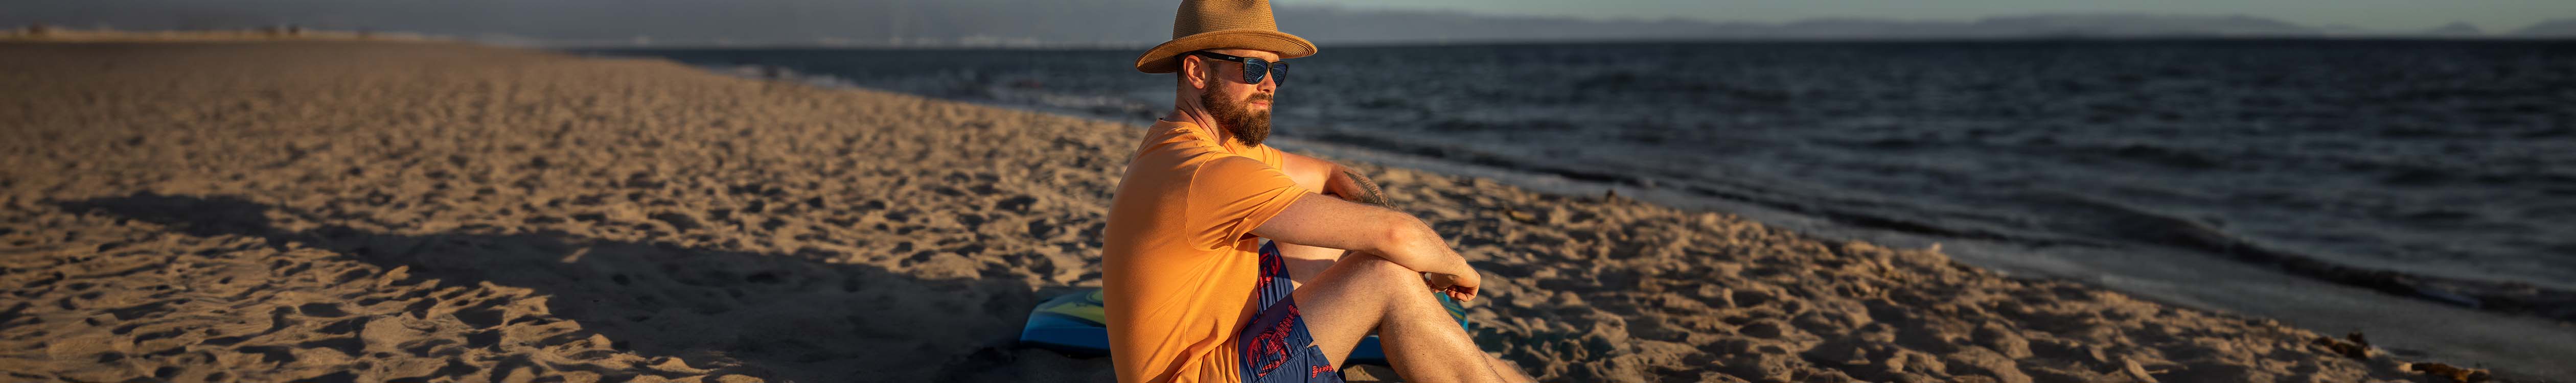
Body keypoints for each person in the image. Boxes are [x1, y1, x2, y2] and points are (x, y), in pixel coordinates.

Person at [1100, 1, 1537, 382]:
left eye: (1276, 70)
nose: (1269, 85)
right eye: (1253, 68)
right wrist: (1456, 268)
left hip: (1216, 341)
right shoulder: (1209, 174)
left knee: (1347, 236)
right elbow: (1397, 236)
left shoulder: (1182, 147)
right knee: (1386, 275)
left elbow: (1331, 176)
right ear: (1196, 71)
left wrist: (1402, 248)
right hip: (1197, 376)